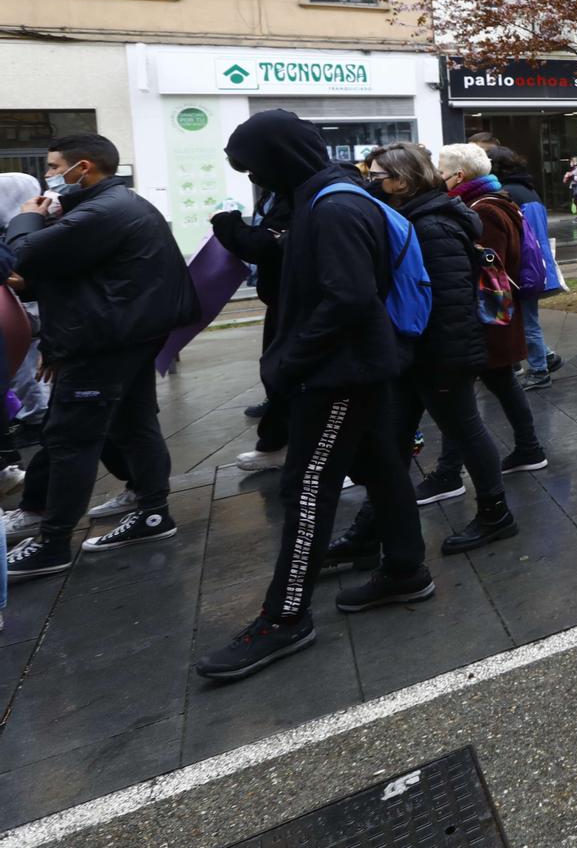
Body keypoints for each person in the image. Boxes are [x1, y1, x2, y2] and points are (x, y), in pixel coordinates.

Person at [195, 115, 423, 680]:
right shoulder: (321, 198)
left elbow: (348, 299)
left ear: (281, 157)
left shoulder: (334, 206)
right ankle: (404, 570)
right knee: (381, 468)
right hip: (348, 369)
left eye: (254, 166)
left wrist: (288, 360)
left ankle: (286, 616)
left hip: (337, 376)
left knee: (306, 488)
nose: (256, 179)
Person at [320, 143, 511, 595]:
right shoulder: (415, 218)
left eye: (378, 174)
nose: (371, 180)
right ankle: (369, 530)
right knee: (391, 443)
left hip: (439, 354)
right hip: (416, 354)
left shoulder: (432, 226)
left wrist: (438, 360)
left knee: (465, 429)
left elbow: (445, 303)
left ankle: (495, 513)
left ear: (403, 181)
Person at [4, 134, 193, 582]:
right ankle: (151, 511)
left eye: (53, 167)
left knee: (72, 438)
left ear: (82, 168)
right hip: (120, 334)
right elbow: (66, 273)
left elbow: (23, 254)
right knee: (133, 422)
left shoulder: (102, 212)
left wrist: (25, 218)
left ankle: (52, 543)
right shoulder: (111, 206)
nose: (49, 176)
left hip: (103, 341)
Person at [424, 144, 547, 517]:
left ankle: (449, 473)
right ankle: (529, 449)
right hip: (496, 320)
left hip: (488, 319)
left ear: (458, 176)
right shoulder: (492, 201)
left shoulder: (484, 210)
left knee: (458, 395)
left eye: (440, 170)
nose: (436, 176)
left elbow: (484, 273)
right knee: (500, 385)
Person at [210, 128, 300, 472]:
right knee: (277, 372)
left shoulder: (306, 194)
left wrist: (227, 223)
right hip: (282, 297)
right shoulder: (277, 189)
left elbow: (262, 244)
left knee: (287, 374)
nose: (252, 176)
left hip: (300, 302)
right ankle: (278, 441)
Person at [490, 147, 562, 390]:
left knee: (527, 321)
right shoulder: (527, 188)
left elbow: (521, 237)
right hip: (534, 264)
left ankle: (540, 370)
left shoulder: (509, 193)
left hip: (522, 267)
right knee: (527, 319)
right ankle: (548, 357)